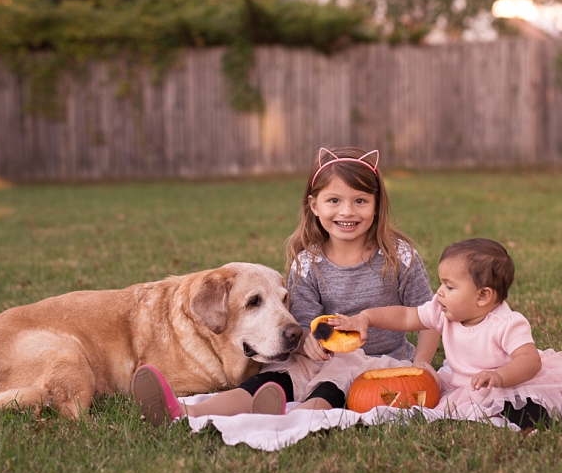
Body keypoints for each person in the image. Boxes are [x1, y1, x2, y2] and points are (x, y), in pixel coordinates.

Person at [132, 146, 439, 425]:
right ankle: (187, 412)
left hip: (380, 362)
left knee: (338, 376)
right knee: (278, 374)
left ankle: (297, 420)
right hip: (321, 353)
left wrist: (423, 361)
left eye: (360, 201)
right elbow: (302, 319)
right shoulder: (309, 263)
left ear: (376, 205)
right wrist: (306, 341)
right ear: (315, 205)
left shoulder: (399, 257)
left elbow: (429, 317)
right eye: (334, 201)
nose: (347, 211)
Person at [330, 238, 562, 428]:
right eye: (441, 283)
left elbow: (530, 360)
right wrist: (366, 317)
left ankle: (532, 419)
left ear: (483, 296)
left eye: (449, 287)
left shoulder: (506, 323)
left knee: (520, 405)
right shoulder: (444, 311)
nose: (439, 292)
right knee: (448, 410)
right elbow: (406, 315)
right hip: (463, 384)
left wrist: (499, 377)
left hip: (508, 382)